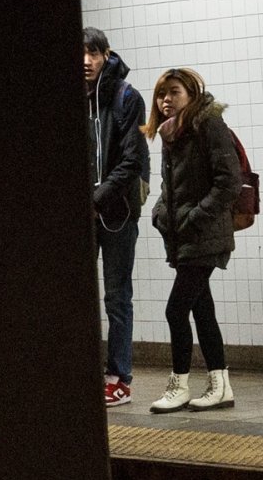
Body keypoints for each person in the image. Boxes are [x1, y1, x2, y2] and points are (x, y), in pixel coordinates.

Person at [145, 68, 242, 413]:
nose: (166, 100)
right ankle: (221, 386)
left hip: (204, 235)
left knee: (175, 310)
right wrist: (160, 213)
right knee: (202, 311)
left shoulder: (209, 125)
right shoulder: (173, 133)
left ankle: (179, 385)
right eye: (161, 94)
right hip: (184, 236)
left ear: (192, 93)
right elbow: (169, 189)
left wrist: (194, 217)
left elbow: (230, 180)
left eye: (174, 92)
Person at [87, 27, 149, 407]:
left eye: (92, 53)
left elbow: (133, 160)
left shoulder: (127, 97)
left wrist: (97, 197)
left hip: (118, 213)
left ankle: (119, 376)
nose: (86, 61)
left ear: (106, 54)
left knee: (117, 295)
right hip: (87, 211)